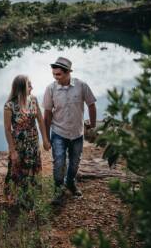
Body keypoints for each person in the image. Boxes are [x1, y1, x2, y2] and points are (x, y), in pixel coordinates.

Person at [42, 57, 96, 204]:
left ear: (67, 73)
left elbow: (91, 104)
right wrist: (46, 138)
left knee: (74, 163)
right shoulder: (50, 89)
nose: (55, 77)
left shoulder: (81, 86)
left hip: (77, 134)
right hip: (58, 133)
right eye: (54, 74)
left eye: (58, 74)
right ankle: (58, 191)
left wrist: (93, 125)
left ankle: (70, 183)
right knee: (59, 163)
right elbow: (47, 115)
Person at [3, 75, 51, 205]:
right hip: (19, 144)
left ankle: (32, 196)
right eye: (29, 85)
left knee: (33, 168)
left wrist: (45, 140)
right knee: (19, 169)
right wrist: (12, 151)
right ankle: (18, 198)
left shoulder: (34, 100)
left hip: (33, 142)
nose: (32, 87)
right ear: (21, 88)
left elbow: (40, 121)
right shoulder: (9, 106)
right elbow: (7, 129)